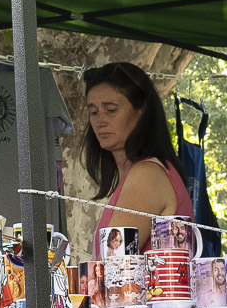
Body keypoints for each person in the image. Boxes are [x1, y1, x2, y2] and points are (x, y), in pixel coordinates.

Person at [77, 63, 195, 240]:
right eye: (93, 112)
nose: (100, 121)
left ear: (141, 110)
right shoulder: (139, 174)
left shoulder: (146, 174)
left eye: (111, 110)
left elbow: (113, 261)